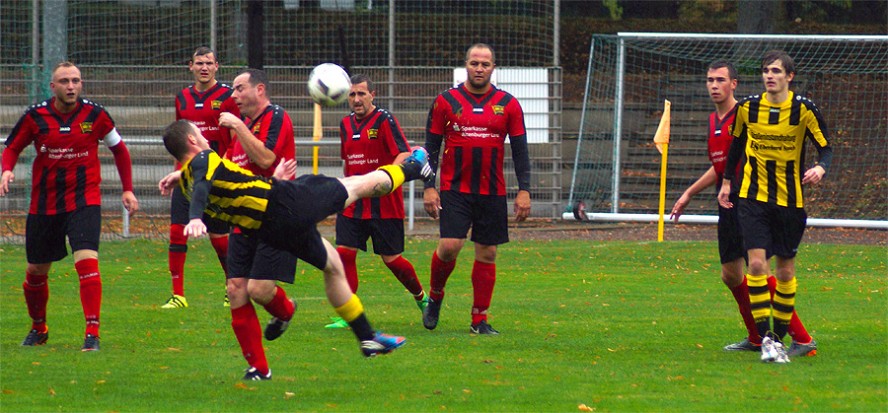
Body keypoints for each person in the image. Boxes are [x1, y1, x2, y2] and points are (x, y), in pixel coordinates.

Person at [159, 120, 431, 366]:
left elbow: (206, 184)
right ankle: (415, 167)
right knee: (357, 185)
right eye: (200, 133)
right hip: (284, 203)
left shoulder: (187, 181)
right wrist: (195, 217)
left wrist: (179, 176)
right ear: (193, 141)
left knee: (334, 266)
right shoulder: (205, 159)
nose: (206, 138)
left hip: (271, 229)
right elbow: (204, 184)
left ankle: (367, 337)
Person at [671, 61, 816, 357]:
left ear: (733, 84)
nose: (714, 85)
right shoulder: (714, 119)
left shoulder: (749, 113)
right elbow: (721, 166)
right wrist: (689, 193)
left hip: (751, 200)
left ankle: (800, 338)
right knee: (731, 275)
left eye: (720, 80)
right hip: (727, 200)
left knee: (757, 268)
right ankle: (756, 337)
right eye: (710, 80)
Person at [1, 61, 139, 351]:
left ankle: (92, 333)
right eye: (64, 81)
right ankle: (39, 328)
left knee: (87, 262)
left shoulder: (96, 114)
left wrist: (127, 189)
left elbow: (120, 149)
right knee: (36, 270)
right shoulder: (35, 116)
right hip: (44, 203)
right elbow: (12, 147)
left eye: (75, 80)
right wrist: (6, 169)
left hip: (84, 200)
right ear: (53, 87)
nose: (71, 86)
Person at [717, 50, 832, 363]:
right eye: (766, 70)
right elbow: (737, 145)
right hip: (753, 199)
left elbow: (826, 148)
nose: (769, 76)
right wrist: (727, 182)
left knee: (785, 272)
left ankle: (775, 339)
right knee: (755, 265)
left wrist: (821, 168)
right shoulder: (748, 107)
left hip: (790, 202)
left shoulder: (804, 109)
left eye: (776, 71)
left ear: (789, 77)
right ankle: (768, 340)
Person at [421, 43, 532, 335]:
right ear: (466, 66)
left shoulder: (508, 104)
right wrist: (428, 187)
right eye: (474, 63)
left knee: (488, 253)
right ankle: (435, 296)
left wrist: (525, 190)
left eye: (485, 64)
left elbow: (520, 150)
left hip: (492, 191)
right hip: (455, 188)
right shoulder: (446, 101)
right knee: (449, 246)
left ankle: (479, 320)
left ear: (493, 67)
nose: (479, 68)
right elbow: (430, 147)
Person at [324, 74, 429, 329]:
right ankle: (350, 312)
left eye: (361, 94)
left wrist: (385, 178)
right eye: (352, 95)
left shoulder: (384, 119)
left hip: (384, 202)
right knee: (345, 254)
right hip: (353, 201)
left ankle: (423, 299)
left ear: (373, 95)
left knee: (392, 260)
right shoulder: (345, 125)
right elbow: (348, 161)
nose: (357, 99)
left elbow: (403, 153)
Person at [162, 46, 240, 309]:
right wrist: (177, 172)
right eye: (199, 63)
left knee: (220, 238)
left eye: (209, 63)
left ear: (217, 66)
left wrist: (223, 168)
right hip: (186, 176)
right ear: (190, 66)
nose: (204, 67)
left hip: (215, 177)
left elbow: (235, 137)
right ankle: (178, 295)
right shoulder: (182, 98)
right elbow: (179, 141)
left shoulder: (228, 96)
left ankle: (233, 286)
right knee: (176, 231)